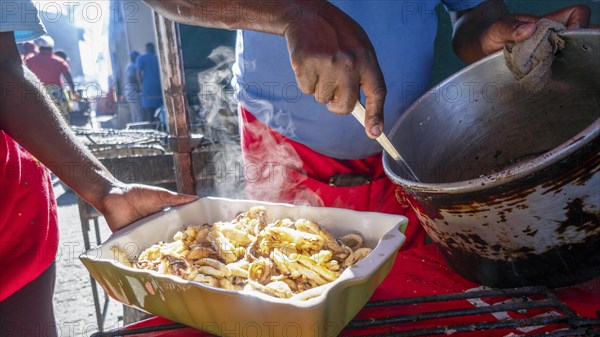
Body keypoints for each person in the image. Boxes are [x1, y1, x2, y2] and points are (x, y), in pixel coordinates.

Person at [145, 0, 591, 249]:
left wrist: (493, 32)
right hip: (286, 147)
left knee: (409, 298)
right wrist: (296, 13)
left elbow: (472, 14)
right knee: (293, 272)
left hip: (406, 156)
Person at [0, 1, 197, 337]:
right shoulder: (60, 60)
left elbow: (4, 71)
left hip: (10, 227)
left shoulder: (42, 59)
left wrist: (106, 191)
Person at [25, 35, 76, 121]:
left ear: (38, 47)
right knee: (63, 119)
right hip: (58, 94)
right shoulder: (59, 61)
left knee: (43, 119)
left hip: (39, 93)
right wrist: (73, 93)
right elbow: (69, 79)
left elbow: (25, 77)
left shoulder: (30, 60)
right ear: (52, 47)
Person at [136, 42, 164, 122]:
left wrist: (140, 85)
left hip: (147, 88)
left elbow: (138, 73)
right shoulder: (158, 58)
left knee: (149, 112)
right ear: (154, 49)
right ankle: (161, 128)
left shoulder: (141, 58)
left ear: (146, 49)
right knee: (160, 111)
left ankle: (152, 129)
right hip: (159, 87)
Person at [125, 50, 144, 123]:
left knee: (135, 114)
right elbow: (130, 78)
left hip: (130, 92)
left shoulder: (129, 65)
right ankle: (142, 131)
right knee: (140, 114)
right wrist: (139, 82)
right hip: (133, 92)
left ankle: (137, 131)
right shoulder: (131, 66)